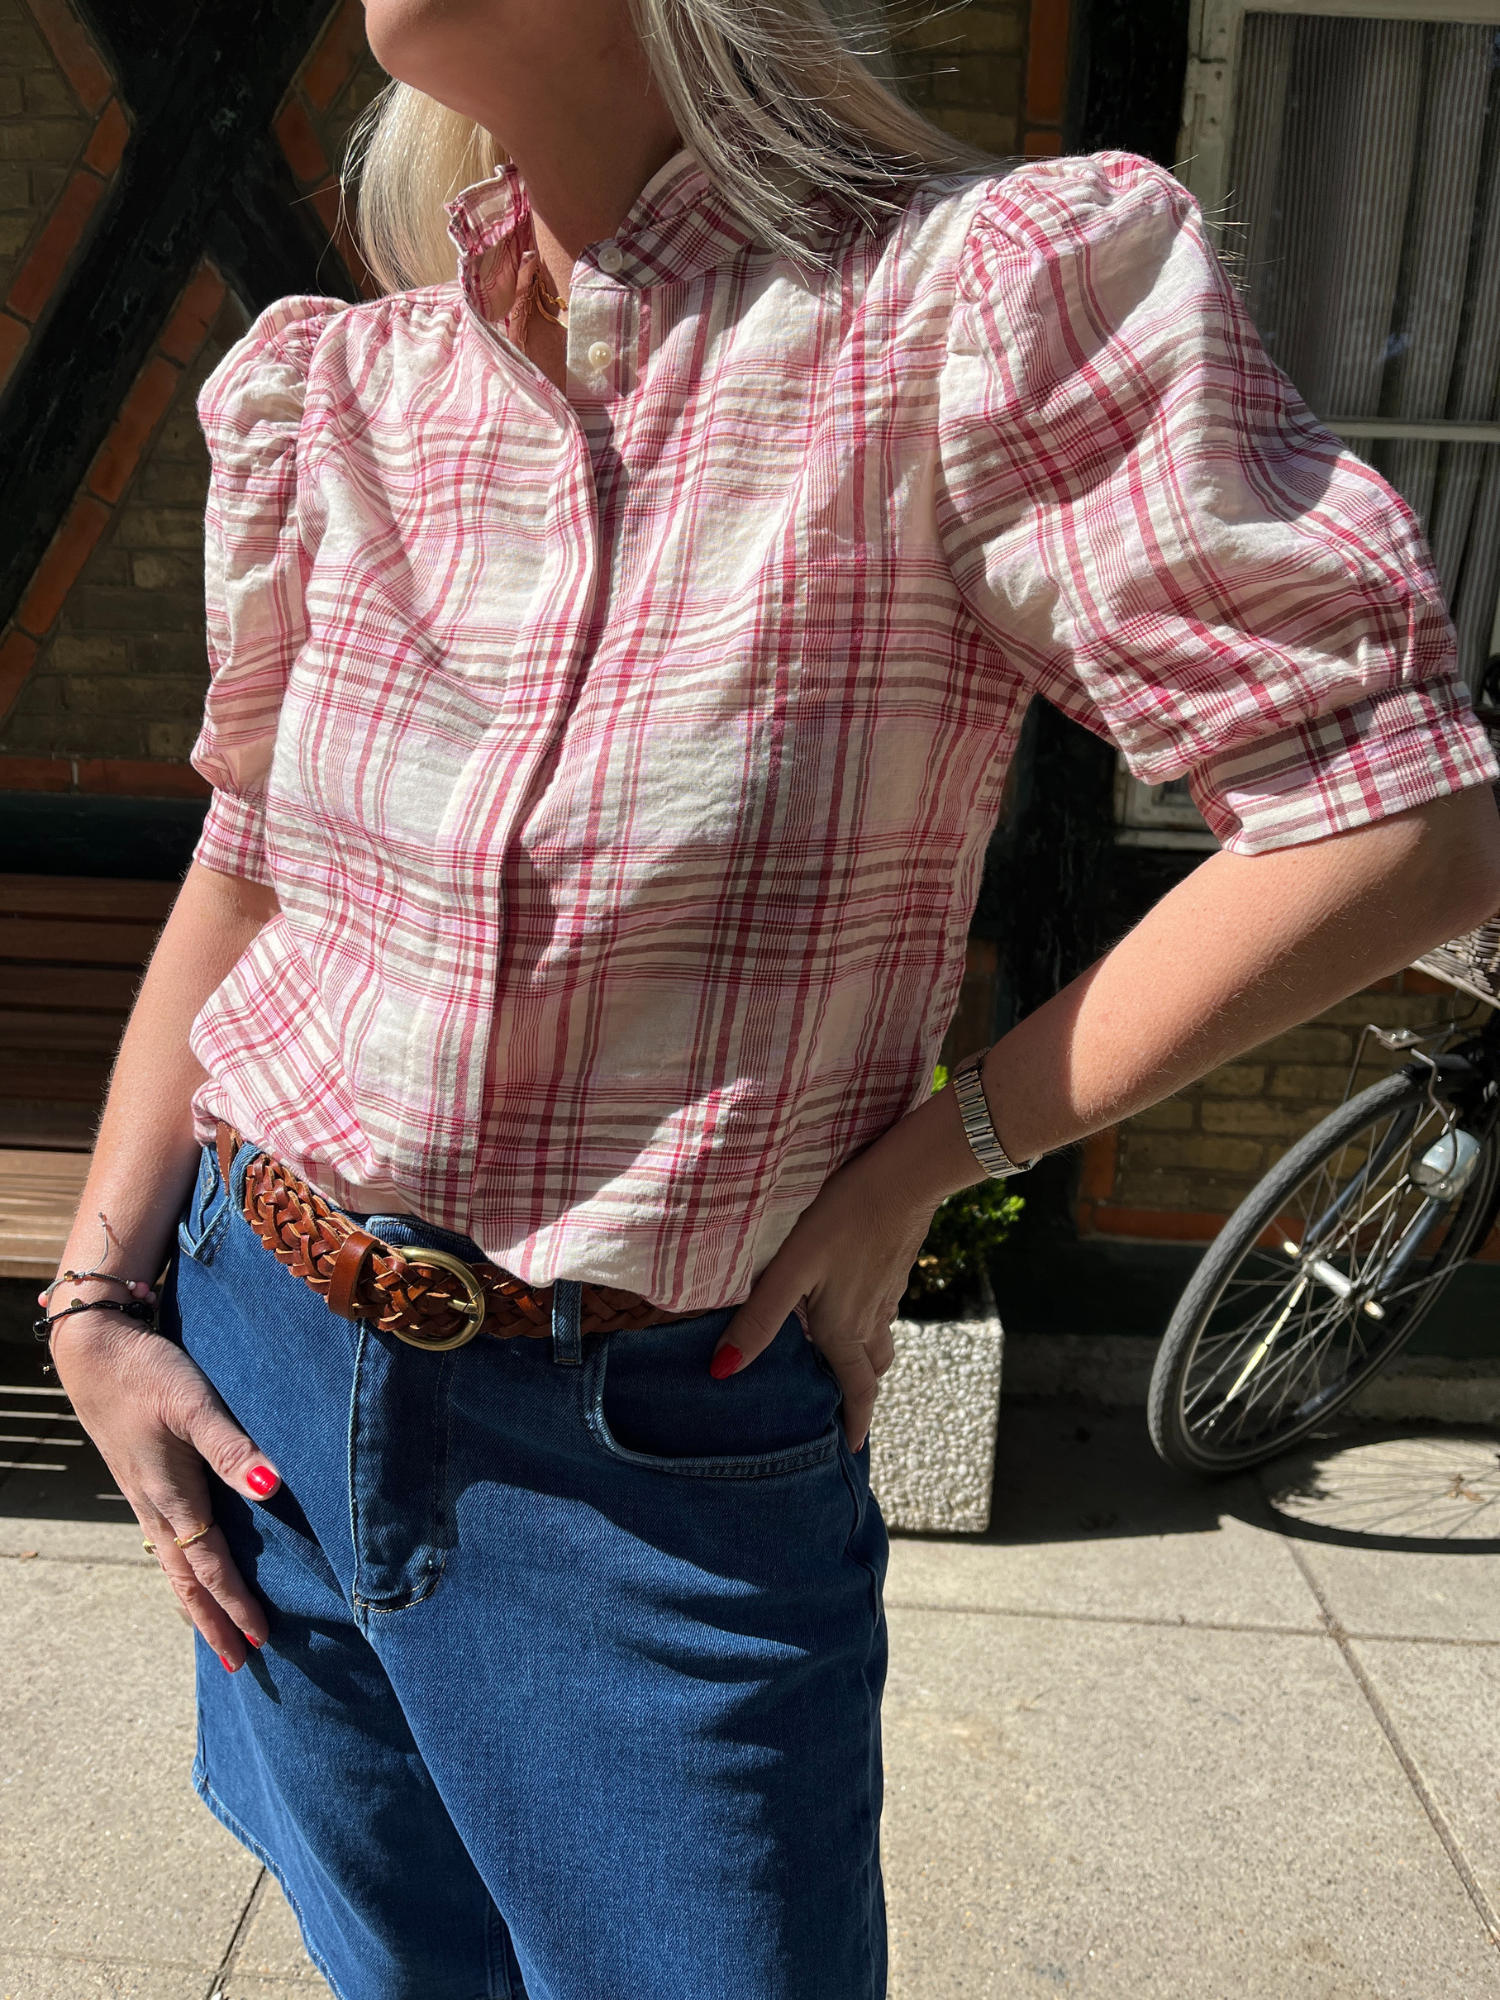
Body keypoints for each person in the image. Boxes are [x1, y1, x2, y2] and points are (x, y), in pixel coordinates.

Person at [42, 0, 1500, 1991]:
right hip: (264, 1369)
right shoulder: (344, 388)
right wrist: (96, 1301)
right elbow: (248, 870)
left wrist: (935, 1155)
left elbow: (1393, 822)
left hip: (645, 1451)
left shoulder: (970, 304)